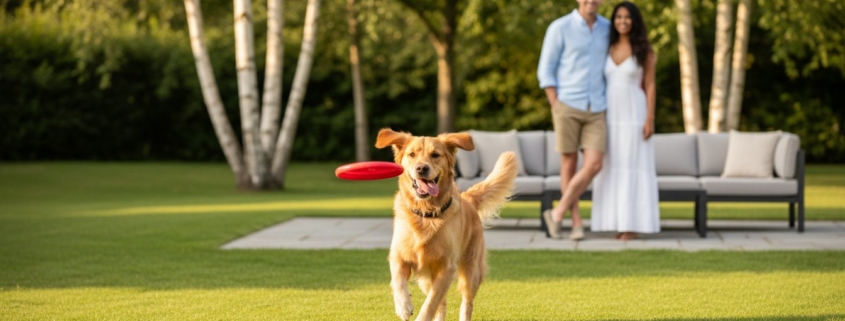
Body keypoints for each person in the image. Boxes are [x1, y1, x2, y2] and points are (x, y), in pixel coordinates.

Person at [537, 0, 610, 240]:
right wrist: (555, 104)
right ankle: (576, 223)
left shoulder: (607, 28)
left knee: (595, 163)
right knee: (569, 164)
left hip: (597, 106)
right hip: (567, 105)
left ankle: (556, 213)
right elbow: (545, 69)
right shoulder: (560, 27)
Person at [591, 1, 660, 240]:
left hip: (635, 114)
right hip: (609, 116)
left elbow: (650, 85)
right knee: (612, 168)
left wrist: (649, 118)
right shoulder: (606, 47)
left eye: (627, 17)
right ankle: (616, 223)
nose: (622, 21)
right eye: (618, 17)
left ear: (634, 21)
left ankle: (632, 225)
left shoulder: (644, 50)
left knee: (633, 168)